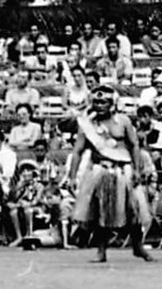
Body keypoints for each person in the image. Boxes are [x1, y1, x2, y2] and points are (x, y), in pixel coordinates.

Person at [65, 83, 153, 263]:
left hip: (125, 169)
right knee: (100, 212)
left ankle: (138, 246)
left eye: (104, 102)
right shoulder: (87, 125)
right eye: (96, 102)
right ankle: (101, 251)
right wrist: (72, 176)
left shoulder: (124, 121)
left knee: (134, 210)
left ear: (112, 103)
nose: (100, 105)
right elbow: (77, 151)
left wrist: (137, 169)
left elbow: (134, 144)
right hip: (100, 170)